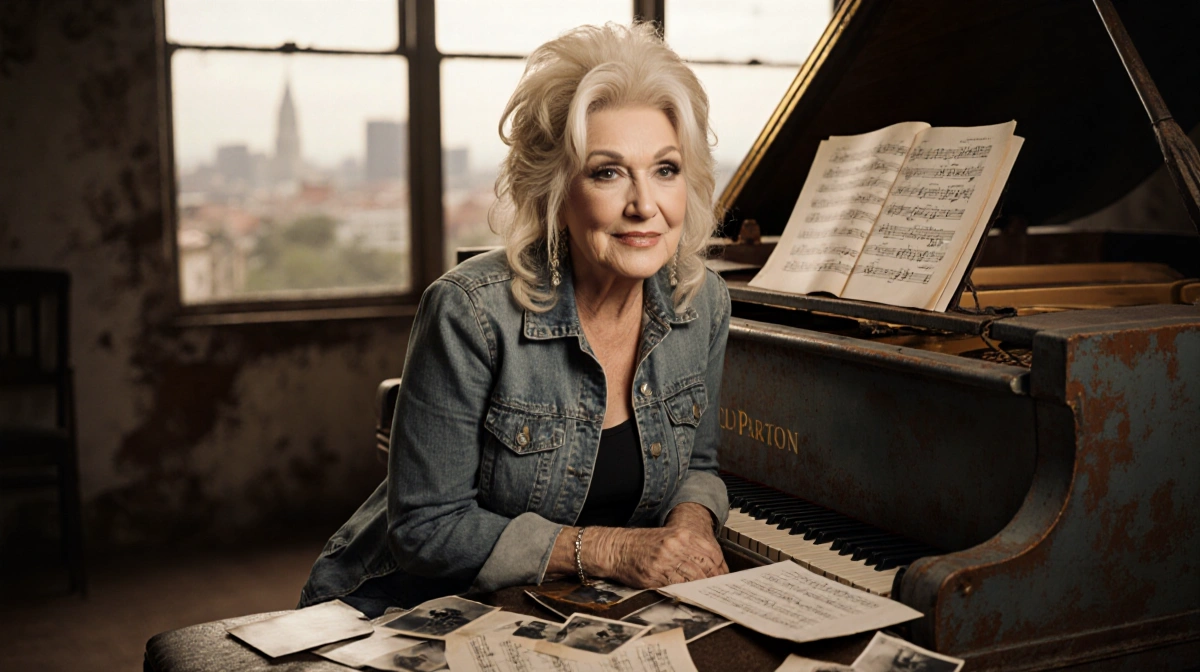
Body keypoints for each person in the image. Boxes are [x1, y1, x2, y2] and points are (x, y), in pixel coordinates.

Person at [299, 22, 731, 618]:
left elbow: (699, 465)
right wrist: (613, 549)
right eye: (607, 172)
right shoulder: (470, 311)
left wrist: (691, 526)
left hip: (558, 605)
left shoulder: (702, 301)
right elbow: (427, 528)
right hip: (410, 605)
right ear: (557, 190)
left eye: (665, 169)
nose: (644, 205)